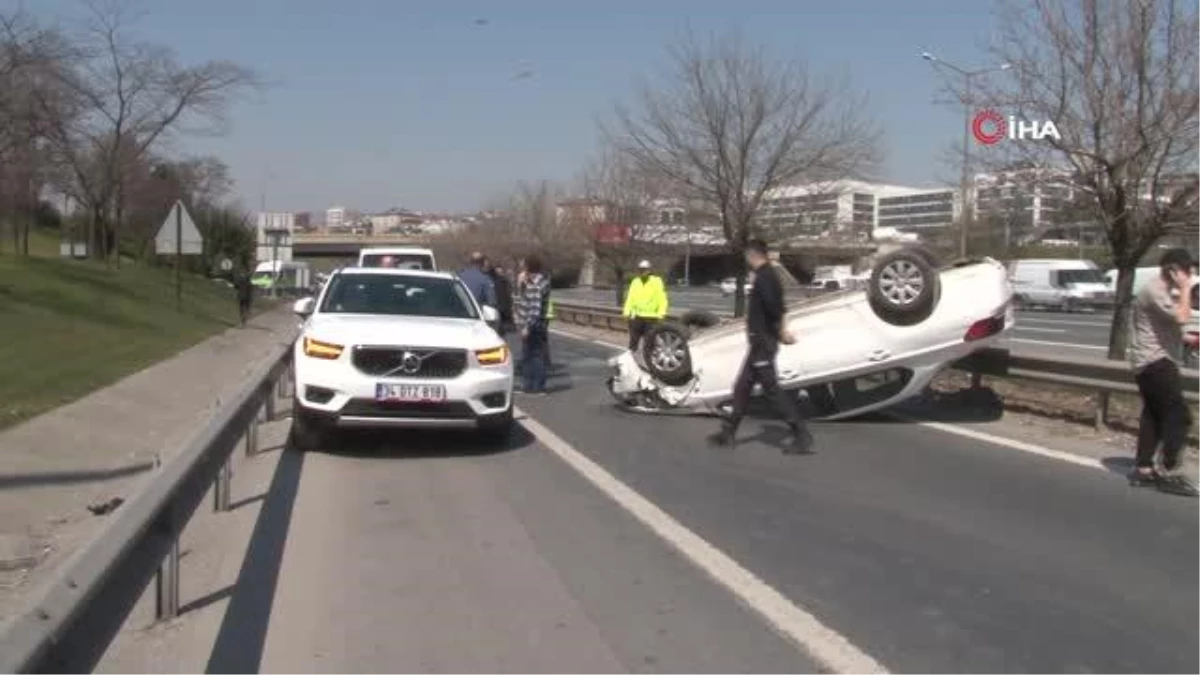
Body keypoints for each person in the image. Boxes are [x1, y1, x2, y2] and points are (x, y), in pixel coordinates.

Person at [707, 238, 812, 454]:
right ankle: (728, 432)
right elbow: (777, 307)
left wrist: (781, 332)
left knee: (772, 390)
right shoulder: (766, 275)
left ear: (751, 254)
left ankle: (801, 433)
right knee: (742, 387)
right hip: (758, 342)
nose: (745, 259)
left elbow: (776, 308)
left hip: (763, 342)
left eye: (746, 255)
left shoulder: (765, 277)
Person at [1128, 248, 1199, 496]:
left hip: (1148, 360)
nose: (1191, 274)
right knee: (1179, 417)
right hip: (1155, 361)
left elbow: (1166, 326)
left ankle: (1144, 469)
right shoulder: (1155, 290)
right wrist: (1187, 288)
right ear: (1172, 270)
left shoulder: (1164, 290)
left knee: (1154, 417)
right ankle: (1170, 470)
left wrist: (1188, 339)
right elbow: (1181, 316)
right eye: (1187, 270)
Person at [514, 255, 551, 395]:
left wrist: (527, 327)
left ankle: (538, 387)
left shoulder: (537, 284)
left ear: (528, 268)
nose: (522, 270)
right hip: (530, 324)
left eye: (523, 266)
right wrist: (520, 285)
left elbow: (535, 309)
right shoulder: (530, 282)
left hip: (534, 325)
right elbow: (520, 300)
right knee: (527, 355)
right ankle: (528, 386)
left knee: (536, 355)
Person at [622, 259, 669, 351]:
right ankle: (632, 357)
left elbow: (662, 298)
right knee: (633, 340)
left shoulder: (656, 281)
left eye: (645, 269)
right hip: (636, 316)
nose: (642, 271)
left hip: (651, 317)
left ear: (649, 270)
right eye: (640, 269)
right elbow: (630, 298)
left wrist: (661, 313)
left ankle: (649, 360)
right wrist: (626, 312)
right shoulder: (635, 282)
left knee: (649, 342)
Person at [489, 264, 514, 333]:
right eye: (498, 272)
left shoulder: (505, 282)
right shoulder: (493, 282)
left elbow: (509, 295)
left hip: (504, 309)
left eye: (501, 272)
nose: (500, 274)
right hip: (498, 308)